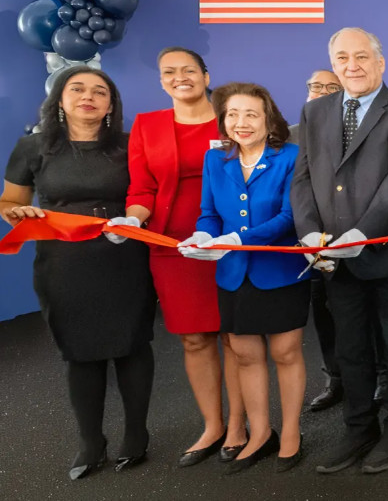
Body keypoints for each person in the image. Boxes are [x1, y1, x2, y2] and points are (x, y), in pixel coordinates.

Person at [0, 66, 155, 479]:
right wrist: (19, 214)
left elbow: (147, 194)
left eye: (100, 91)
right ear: (60, 100)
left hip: (123, 257)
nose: (89, 96)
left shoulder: (128, 145)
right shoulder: (32, 147)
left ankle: (136, 435)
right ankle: (91, 441)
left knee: (132, 345)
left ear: (110, 106)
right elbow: (8, 202)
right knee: (80, 352)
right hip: (63, 262)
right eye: (78, 88)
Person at [291, 27, 388, 475]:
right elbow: (303, 179)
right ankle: (358, 426)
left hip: (386, 252)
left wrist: (361, 233)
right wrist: (310, 232)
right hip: (331, 258)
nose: (352, 65)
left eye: (362, 57)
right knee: (349, 348)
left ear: (380, 62)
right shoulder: (314, 112)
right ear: (333, 63)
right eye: (342, 57)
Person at [108, 47, 248, 467]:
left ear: (207, 76)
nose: (179, 77)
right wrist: (132, 219)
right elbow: (141, 189)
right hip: (173, 246)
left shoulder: (233, 117)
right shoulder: (147, 127)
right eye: (169, 72)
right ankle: (213, 425)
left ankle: (240, 425)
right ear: (161, 81)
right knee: (194, 338)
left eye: (189, 70)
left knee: (236, 337)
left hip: (231, 241)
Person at [179, 83, 312, 473]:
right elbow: (209, 212)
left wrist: (237, 238)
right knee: (246, 355)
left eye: (251, 114)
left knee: (285, 354)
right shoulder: (214, 159)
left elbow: (289, 217)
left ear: (269, 120)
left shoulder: (291, 156)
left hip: (282, 271)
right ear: (223, 120)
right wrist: (204, 235)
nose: (242, 122)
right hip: (233, 274)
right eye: (233, 114)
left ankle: (290, 434)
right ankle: (260, 434)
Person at [288, 69, 386, 413]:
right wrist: (308, 234)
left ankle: (377, 375)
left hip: (356, 239)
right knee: (324, 314)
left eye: (332, 87)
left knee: (367, 315)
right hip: (310, 245)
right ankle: (335, 377)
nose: (323, 92)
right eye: (316, 86)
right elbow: (295, 189)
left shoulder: (360, 127)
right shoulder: (290, 136)